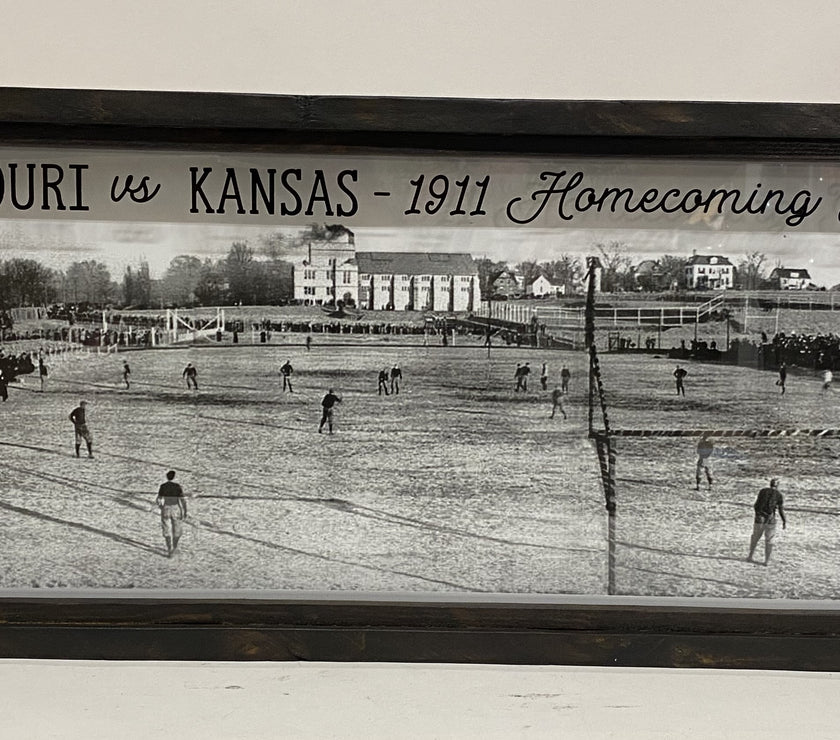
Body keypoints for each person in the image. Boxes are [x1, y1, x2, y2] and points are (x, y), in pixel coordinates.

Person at [748, 478, 787, 565]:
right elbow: (781, 510)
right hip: (770, 518)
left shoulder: (762, 491)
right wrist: (784, 521)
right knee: (769, 539)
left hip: (759, 518)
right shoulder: (779, 495)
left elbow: (756, 505)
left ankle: (750, 556)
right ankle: (767, 561)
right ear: (777, 485)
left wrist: (757, 514)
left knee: (755, 537)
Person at [156, 470, 187, 557]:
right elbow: (183, 500)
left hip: (166, 507)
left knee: (166, 529)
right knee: (177, 529)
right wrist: (185, 511)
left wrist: (161, 507)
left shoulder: (163, 486)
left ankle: (169, 549)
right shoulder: (177, 486)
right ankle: (175, 547)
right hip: (175, 507)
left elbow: (158, 499)